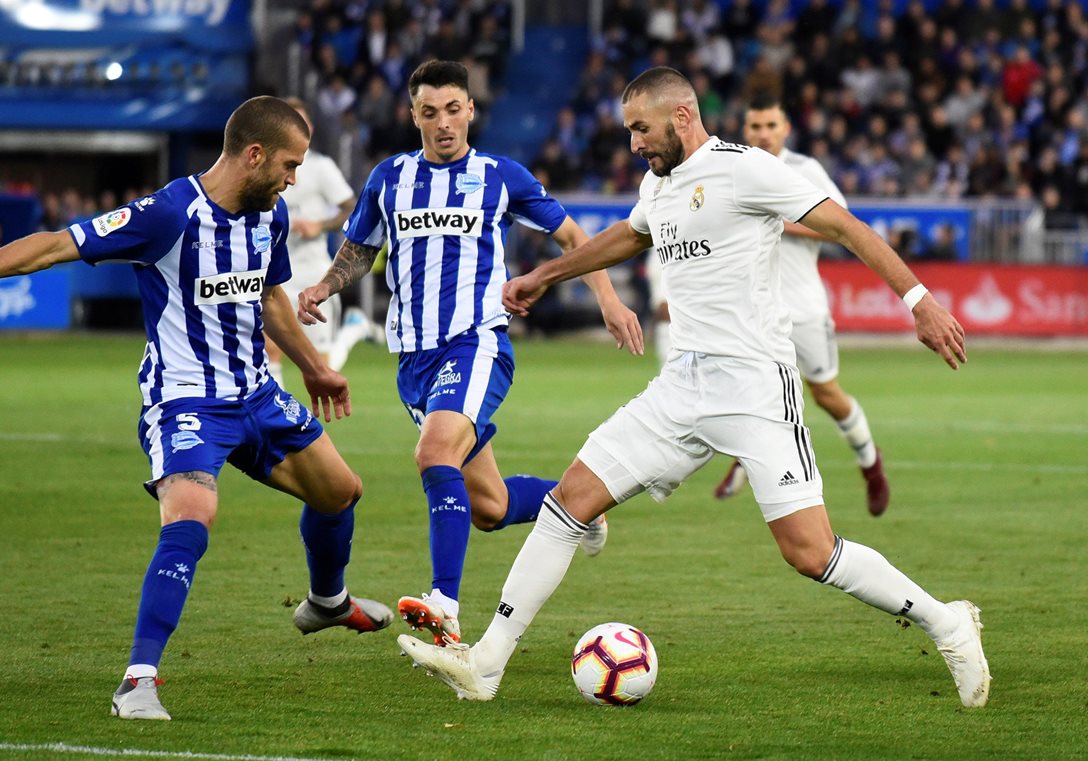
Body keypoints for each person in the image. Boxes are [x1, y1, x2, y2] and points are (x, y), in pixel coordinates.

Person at [397, 67, 990, 710]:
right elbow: (630, 235)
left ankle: (947, 621)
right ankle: (485, 663)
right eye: (628, 132)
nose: (633, 145)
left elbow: (847, 227)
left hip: (756, 388)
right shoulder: (660, 183)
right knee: (569, 502)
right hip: (682, 385)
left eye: (640, 129)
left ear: (682, 116)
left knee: (809, 551)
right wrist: (548, 273)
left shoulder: (744, 169)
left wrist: (920, 301)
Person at [0, 96, 393, 721]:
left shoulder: (267, 216)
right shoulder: (168, 213)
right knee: (193, 515)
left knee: (340, 492)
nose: (295, 179)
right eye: (289, 165)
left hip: (256, 394)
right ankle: (138, 681)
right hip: (184, 398)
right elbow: (61, 243)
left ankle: (327, 601)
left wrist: (316, 369)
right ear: (253, 155)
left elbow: (270, 297)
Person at [297, 60, 644, 647]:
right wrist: (324, 286)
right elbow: (359, 250)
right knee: (489, 505)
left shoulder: (499, 176)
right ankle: (579, 502)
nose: (443, 123)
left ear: (471, 111)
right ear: (413, 116)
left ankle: (446, 604)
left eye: (453, 109)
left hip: (477, 342)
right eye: (429, 112)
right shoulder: (389, 179)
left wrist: (608, 299)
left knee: (434, 454)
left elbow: (570, 238)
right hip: (413, 360)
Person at [711, 95, 889, 517]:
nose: (764, 134)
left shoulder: (805, 171)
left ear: (786, 128)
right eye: (756, 127)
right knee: (752, 388)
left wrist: (782, 218)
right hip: (754, 309)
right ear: (746, 129)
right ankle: (750, 462)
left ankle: (871, 465)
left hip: (804, 307)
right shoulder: (732, 170)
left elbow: (843, 228)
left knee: (826, 394)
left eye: (771, 125)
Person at [264, 97, 370, 385]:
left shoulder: (320, 166)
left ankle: (351, 333)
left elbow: (352, 207)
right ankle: (277, 420)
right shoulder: (265, 168)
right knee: (268, 348)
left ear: (309, 127)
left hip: (312, 271)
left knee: (321, 365)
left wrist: (319, 226)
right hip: (276, 272)